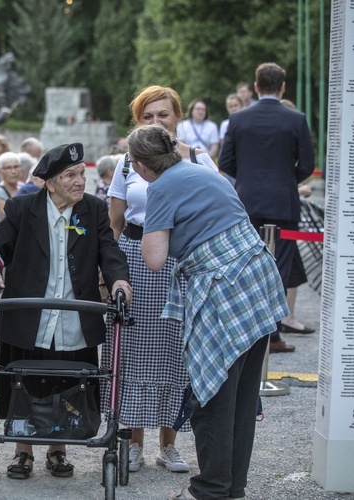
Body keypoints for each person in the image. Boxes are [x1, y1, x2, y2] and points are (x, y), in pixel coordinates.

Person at [130, 124, 288, 500]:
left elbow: (154, 259)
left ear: (138, 164)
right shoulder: (204, 170)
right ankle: (233, 489)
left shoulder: (161, 187)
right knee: (242, 398)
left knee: (212, 395)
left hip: (222, 290)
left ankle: (209, 490)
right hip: (258, 279)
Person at [0, 142, 131, 480]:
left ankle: (57, 449)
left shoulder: (92, 209)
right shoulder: (22, 208)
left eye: (81, 174)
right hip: (30, 318)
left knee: (68, 386)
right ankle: (22, 451)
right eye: (70, 176)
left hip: (75, 320)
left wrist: (119, 281)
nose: (80, 181)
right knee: (24, 383)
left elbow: (110, 251)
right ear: (49, 182)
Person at [107, 85, 216, 475]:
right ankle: (133, 442)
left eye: (163, 115)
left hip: (181, 263)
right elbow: (115, 223)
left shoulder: (200, 160)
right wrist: (108, 273)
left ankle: (168, 445)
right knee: (133, 351)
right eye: (148, 117)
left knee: (176, 351)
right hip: (136, 262)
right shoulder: (125, 164)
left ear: (178, 117)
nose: (156, 122)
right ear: (138, 121)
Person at [219, 62, 315, 354]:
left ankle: (247, 333)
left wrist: (248, 181)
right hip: (283, 202)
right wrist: (287, 180)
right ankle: (271, 335)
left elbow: (225, 163)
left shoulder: (238, 120)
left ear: (256, 87)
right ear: (283, 87)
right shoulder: (296, 119)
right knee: (279, 268)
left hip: (247, 201)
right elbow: (308, 164)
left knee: (247, 265)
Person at [0, 151, 21, 219]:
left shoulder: (23, 187)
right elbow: (6, 216)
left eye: (16, 167)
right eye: (8, 168)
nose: (13, 171)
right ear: (0, 172)